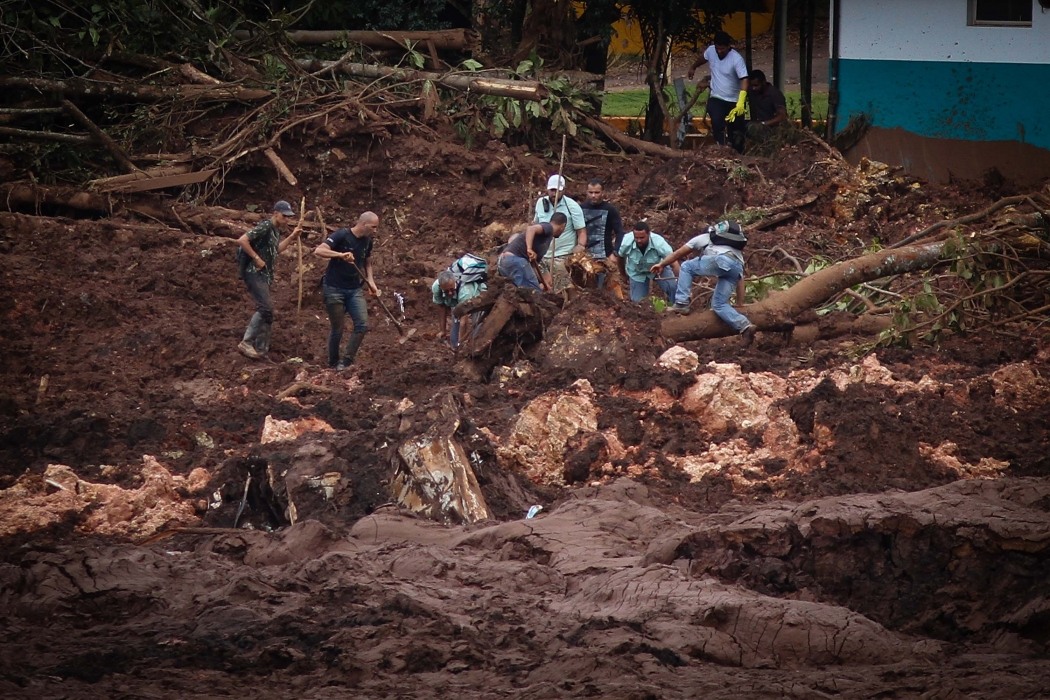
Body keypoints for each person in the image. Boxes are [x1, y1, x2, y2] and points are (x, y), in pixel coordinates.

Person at [651, 220, 756, 345]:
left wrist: (662, 264)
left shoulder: (703, 238)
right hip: (736, 268)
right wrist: (740, 303)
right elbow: (740, 278)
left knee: (686, 267)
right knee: (719, 304)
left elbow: (677, 254)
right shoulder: (735, 251)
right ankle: (745, 326)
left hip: (721, 260)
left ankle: (681, 303)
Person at [313, 211, 380, 370]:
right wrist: (340, 255)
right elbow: (318, 251)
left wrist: (371, 281)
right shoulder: (341, 235)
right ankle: (333, 362)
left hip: (354, 289)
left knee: (362, 325)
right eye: (373, 227)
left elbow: (368, 262)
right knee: (338, 328)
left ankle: (346, 361)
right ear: (364, 224)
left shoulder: (368, 241)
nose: (375, 230)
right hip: (334, 288)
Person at [236, 199, 303, 360]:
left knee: (268, 313)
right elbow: (242, 240)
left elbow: (276, 250)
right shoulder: (266, 226)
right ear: (275, 213)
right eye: (284, 216)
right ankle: (246, 342)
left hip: (265, 276)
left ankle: (261, 350)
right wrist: (256, 258)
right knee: (265, 308)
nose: (287, 219)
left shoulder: (275, 230)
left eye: (289, 217)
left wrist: (292, 237)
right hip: (255, 273)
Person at [687, 30, 749, 153]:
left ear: (728, 47)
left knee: (736, 132)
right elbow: (703, 58)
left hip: (734, 101)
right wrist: (693, 67)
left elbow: (744, 79)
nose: (719, 51)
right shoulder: (711, 51)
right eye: (717, 49)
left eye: (722, 49)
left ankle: (738, 155)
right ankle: (721, 149)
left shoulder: (736, 59)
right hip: (717, 97)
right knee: (717, 122)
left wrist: (741, 102)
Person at [533, 174, 586, 291]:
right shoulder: (541, 203)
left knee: (563, 289)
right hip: (542, 255)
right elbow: (535, 225)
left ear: (563, 190)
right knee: (543, 287)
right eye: (551, 190)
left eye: (557, 191)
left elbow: (581, 231)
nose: (554, 194)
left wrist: (580, 246)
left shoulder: (572, 206)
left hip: (562, 256)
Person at [610, 221, 679, 303]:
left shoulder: (659, 243)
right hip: (637, 272)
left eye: (642, 238)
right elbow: (620, 258)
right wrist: (623, 275)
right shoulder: (627, 242)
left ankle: (676, 308)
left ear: (649, 234)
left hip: (659, 267)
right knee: (637, 303)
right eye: (636, 238)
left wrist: (679, 281)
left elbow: (674, 263)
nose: (639, 240)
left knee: (672, 288)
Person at [497, 213, 568, 290]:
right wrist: (529, 249)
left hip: (504, 262)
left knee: (523, 292)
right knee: (533, 294)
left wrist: (544, 283)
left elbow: (533, 266)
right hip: (515, 261)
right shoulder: (548, 227)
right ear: (563, 226)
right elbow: (531, 229)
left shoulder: (545, 239)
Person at [432, 254, 487, 348]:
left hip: (477, 297)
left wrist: (461, 342)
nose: (449, 293)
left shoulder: (464, 290)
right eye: (446, 291)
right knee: (455, 329)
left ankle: (474, 348)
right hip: (458, 299)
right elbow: (441, 307)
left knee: (477, 326)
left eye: (451, 289)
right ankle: (456, 348)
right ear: (441, 287)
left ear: (455, 283)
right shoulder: (436, 287)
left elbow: (463, 321)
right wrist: (443, 330)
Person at [580, 179, 625, 288]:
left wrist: (615, 253)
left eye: (597, 192)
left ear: (602, 193)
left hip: (604, 256)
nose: (593, 196)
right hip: (584, 256)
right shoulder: (580, 208)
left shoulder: (610, 210)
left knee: (603, 289)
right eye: (591, 192)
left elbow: (619, 232)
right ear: (586, 192)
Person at [745, 69, 788, 148]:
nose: (754, 88)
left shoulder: (774, 94)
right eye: (752, 86)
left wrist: (763, 124)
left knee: (753, 128)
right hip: (757, 123)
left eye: (756, 85)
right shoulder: (752, 92)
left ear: (763, 82)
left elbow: (782, 116)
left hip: (772, 128)